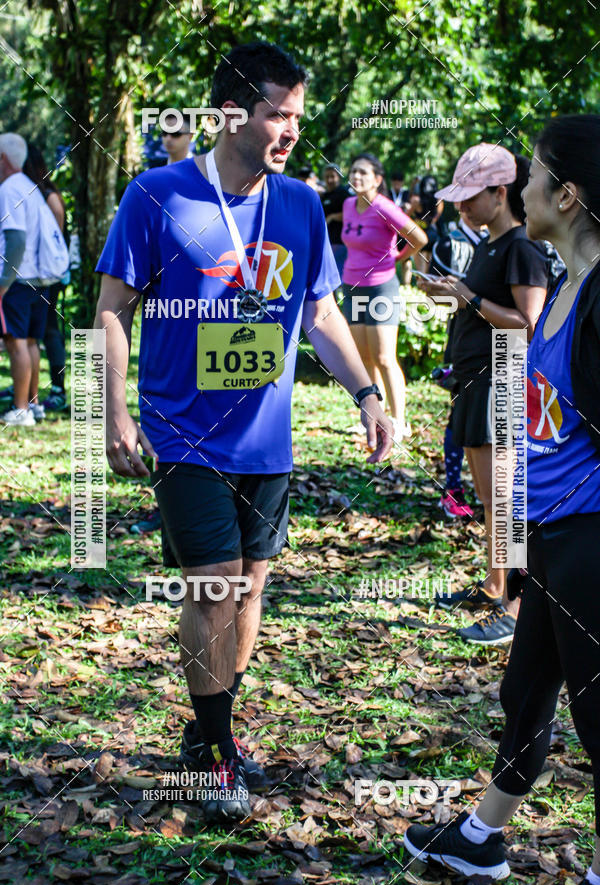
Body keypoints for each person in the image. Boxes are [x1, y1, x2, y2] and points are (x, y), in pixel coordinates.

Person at [95, 40, 392, 824]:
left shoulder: (296, 204)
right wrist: (114, 413)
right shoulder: (156, 195)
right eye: (276, 114)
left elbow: (321, 311)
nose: (291, 130)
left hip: (268, 442)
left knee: (251, 586)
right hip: (182, 434)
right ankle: (219, 751)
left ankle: (207, 731)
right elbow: (111, 310)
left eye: (297, 115)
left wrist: (365, 390)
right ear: (230, 114)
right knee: (216, 584)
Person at [404, 114, 600, 885]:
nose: (524, 188)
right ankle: (481, 839)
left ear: (571, 194)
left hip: (590, 538)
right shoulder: (562, 282)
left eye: (537, 175)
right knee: (525, 693)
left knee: (595, 715)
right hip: (550, 535)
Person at [418, 144, 549, 644]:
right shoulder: (489, 245)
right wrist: (452, 293)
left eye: (471, 196)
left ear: (501, 193)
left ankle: (513, 603)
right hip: (473, 379)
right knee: (488, 498)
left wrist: (467, 296)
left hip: (502, 380)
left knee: (505, 498)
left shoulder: (521, 246)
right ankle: (494, 586)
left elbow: (528, 325)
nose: (461, 206)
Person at [340, 152, 427, 442]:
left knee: (384, 357)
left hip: (381, 288)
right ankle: (374, 418)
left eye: (364, 173)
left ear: (378, 180)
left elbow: (419, 238)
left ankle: (400, 421)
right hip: (351, 287)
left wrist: (399, 259)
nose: (356, 177)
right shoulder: (348, 204)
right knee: (364, 358)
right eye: (353, 171)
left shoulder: (384, 207)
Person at [432, 209, 487, 519]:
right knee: (459, 414)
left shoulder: (508, 240)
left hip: (499, 345)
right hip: (464, 341)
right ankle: (454, 488)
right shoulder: (451, 242)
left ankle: (492, 494)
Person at [0, 133, 52, 426]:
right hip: (38, 278)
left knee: (15, 343)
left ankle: (19, 409)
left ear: (2, 159)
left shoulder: (9, 190)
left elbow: (15, 240)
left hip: (17, 279)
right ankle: (32, 404)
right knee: (31, 342)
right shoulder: (30, 186)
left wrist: (4, 282)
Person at [23, 144, 68, 412]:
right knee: (32, 334)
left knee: (50, 330)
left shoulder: (48, 196)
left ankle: (59, 388)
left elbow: (55, 241)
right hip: (37, 275)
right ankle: (30, 389)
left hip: (50, 276)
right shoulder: (33, 194)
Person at [320, 164, 351, 281]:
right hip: (326, 242)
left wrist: (333, 217)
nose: (329, 180)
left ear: (339, 177)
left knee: (337, 277)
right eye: (327, 177)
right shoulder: (324, 196)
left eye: (332, 176)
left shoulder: (344, 194)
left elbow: (351, 215)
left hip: (340, 242)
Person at [409, 174, 444, 273]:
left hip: (419, 237)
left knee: (421, 270)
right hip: (433, 237)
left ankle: (421, 284)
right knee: (429, 267)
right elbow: (435, 219)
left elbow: (405, 217)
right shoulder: (439, 201)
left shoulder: (416, 201)